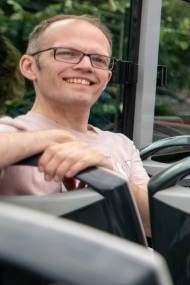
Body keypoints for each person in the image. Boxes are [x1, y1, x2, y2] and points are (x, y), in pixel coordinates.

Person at [0, 15, 151, 236]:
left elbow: (154, 221)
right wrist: (53, 139)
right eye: (67, 54)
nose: (86, 66)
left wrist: (111, 177)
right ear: (29, 67)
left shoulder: (121, 144)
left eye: (98, 60)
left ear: (107, 78)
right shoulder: (13, 134)